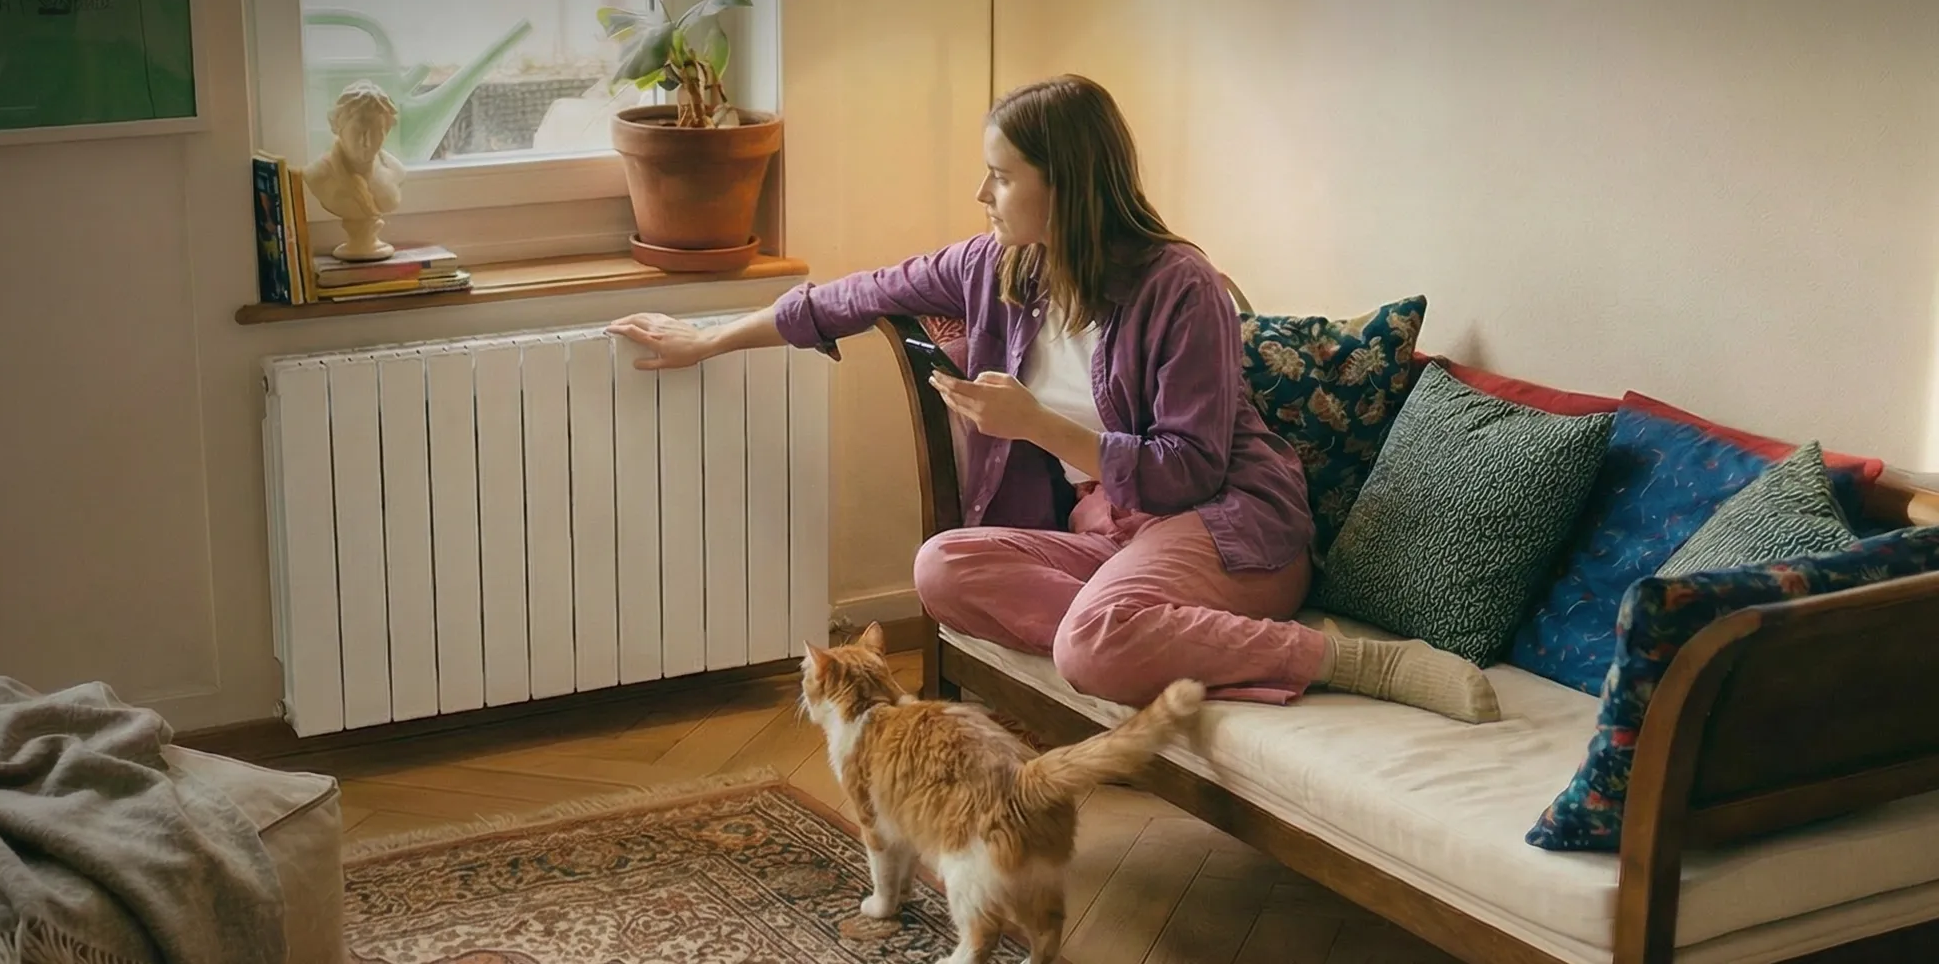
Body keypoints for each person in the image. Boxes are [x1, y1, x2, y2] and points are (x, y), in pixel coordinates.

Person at [606, 74, 1499, 723]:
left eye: (1000, 175)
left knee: (1091, 645)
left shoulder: (1177, 285)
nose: (981, 194)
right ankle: (1139, 633)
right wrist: (708, 340)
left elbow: (1189, 472)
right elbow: (855, 295)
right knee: (941, 567)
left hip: (1229, 526)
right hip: (1111, 536)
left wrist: (1039, 426)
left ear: (1061, 185)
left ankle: (1351, 661)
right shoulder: (996, 267)